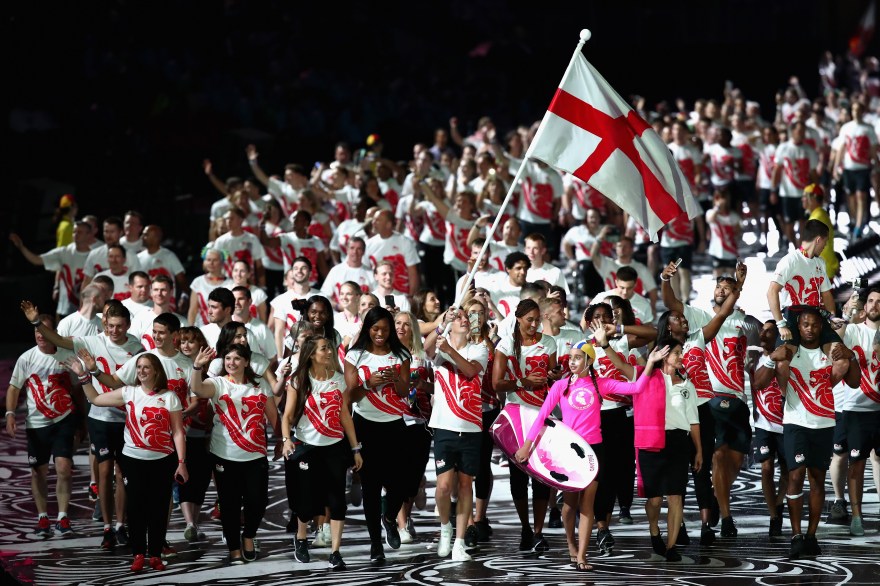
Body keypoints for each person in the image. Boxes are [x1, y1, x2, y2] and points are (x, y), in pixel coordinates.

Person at [22, 299, 144, 550]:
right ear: (104, 324)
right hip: (100, 417)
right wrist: (36, 322)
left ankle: (122, 525)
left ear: (128, 325)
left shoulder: (137, 346)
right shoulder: (92, 341)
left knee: (123, 474)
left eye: (119, 326)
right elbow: (59, 341)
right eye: (110, 326)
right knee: (103, 472)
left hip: (127, 419)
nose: (114, 331)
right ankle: (107, 527)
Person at [68, 351, 187, 572]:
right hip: (133, 460)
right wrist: (84, 376)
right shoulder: (128, 392)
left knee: (159, 508)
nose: (141, 371)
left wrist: (181, 462)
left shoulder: (170, 397)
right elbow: (95, 399)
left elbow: (178, 432)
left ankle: (155, 555)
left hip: (163, 461)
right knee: (136, 507)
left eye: (146, 367)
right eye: (138, 367)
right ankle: (139, 554)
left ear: (156, 371)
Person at [664, 268, 758, 538]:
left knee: (734, 461)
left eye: (728, 287)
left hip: (738, 399)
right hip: (709, 400)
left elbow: (754, 354)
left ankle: (718, 499)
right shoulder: (699, 317)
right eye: (719, 286)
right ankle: (723, 517)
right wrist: (665, 279)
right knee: (714, 459)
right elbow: (672, 304)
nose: (722, 290)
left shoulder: (748, 322)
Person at [598, 336, 703, 562]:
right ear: (664, 354)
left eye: (681, 352)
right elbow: (619, 364)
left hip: (678, 443)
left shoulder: (687, 385)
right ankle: (655, 531)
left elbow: (694, 421)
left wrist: (699, 450)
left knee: (676, 497)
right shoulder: (645, 376)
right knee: (654, 500)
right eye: (677, 352)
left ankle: (672, 546)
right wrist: (605, 344)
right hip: (650, 442)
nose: (681, 356)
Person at [766, 309, 860, 558]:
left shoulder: (832, 353)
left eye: (815, 325)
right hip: (795, 422)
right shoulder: (790, 352)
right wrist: (772, 359)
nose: (809, 328)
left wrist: (852, 357)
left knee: (818, 479)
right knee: (795, 476)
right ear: (799, 326)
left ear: (821, 327)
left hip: (824, 423)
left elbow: (854, 382)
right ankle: (796, 535)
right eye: (805, 324)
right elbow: (761, 380)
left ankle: (811, 535)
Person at [514, 340, 607, 571]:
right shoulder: (561, 385)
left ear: (589, 360)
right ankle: (570, 543)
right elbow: (543, 416)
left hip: (594, 450)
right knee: (569, 506)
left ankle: (583, 555)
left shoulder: (599, 384)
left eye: (577, 357)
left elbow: (635, 388)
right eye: (571, 358)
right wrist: (527, 445)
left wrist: (649, 366)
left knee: (588, 505)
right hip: (569, 450)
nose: (572, 362)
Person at [189, 343, 281, 565]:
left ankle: (248, 536)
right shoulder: (218, 383)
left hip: (255, 455)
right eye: (228, 358)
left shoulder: (260, 386)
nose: (231, 363)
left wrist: (281, 440)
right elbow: (198, 390)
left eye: (237, 359)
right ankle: (234, 548)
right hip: (223, 455)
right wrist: (196, 367)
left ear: (246, 362)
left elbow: (273, 416)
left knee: (257, 502)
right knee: (229, 505)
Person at [281, 335, 362, 569]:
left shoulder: (339, 380)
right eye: (324, 349)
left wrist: (355, 448)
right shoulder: (298, 380)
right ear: (311, 354)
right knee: (306, 503)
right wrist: (287, 440)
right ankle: (301, 538)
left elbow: (345, 415)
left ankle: (336, 551)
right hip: (306, 447)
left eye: (330, 348)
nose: (329, 352)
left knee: (337, 502)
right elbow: (286, 416)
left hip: (335, 447)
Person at [343, 306, 412, 564]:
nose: (380, 333)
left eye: (385, 329)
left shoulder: (401, 353)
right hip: (366, 425)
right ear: (367, 329)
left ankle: (389, 518)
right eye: (375, 329)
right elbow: (349, 396)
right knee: (371, 488)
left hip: (395, 425)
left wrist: (395, 379)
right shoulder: (355, 355)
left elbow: (405, 392)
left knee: (401, 483)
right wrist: (368, 384)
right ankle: (375, 545)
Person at [492, 298, 559, 551]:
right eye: (529, 320)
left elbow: (553, 377)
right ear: (518, 318)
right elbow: (497, 383)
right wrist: (523, 382)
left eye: (537, 320)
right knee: (518, 476)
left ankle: (539, 531)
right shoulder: (507, 343)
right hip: (517, 415)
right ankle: (525, 527)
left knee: (542, 475)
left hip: (543, 416)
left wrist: (555, 375)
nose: (533, 324)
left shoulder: (548, 342)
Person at [426, 304, 491, 561]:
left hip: (471, 428)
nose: (465, 320)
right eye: (459, 317)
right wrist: (441, 325)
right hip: (443, 426)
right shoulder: (439, 348)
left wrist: (448, 349)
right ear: (451, 322)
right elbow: (425, 348)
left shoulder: (479, 348)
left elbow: (470, 370)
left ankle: (460, 542)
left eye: (467, 317)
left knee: (466, 486)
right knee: (443, 487)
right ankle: (445, 527)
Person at [6, 314, 77, 538]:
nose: (39, 335)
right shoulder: (26, 358)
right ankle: (43, 517)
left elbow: (78, 387)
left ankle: (63, 517)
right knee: (39, 472)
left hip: (64, 419)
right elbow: (14, 388)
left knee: (64, 468)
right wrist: (9, 413)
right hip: (36, 424)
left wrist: (83, 419)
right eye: (36, 332)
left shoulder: (67, 357)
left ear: (52, 334)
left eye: (43, 331)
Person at [834, 286, 880, 536]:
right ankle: (856, 516)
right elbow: (836, 339)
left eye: (878, 302)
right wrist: (850, 313)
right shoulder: (853, 330)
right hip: (856, 409)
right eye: (870, 301)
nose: (873, 305)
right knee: (857, 464)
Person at [392, 311, 434, 546]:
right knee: (396, 474)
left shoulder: (423, 356)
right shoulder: (386, 355)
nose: (401, 328)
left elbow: (436, 387)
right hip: (393, 420)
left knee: (412, 476)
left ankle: (405, 517)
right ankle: (400, 523)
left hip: (420, 422)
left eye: (407, 324)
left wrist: (422, 385)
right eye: (397, 323)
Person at [752, 320, 789, 537]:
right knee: (766, 468)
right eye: (762, 330)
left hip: (786, 424)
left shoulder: (787, 356)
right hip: (763, 424)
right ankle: (774, 515)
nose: (764, 334)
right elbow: (756, 384)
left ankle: (779, 502)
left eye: (769, 331)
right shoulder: (755, 358)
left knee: (787, 470)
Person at [9, 221, 92, 318]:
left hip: (88, 310)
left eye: (80, 232)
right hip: (65, 309)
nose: (76, 235)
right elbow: (37, 260)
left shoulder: (95, 255)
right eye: (74, 232)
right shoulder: (64, 252)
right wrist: (21, 247)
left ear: (89, 235)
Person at [833, 100, 878, 238]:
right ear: (851, 111)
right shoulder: (846, 128)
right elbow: (841, 148)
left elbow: (873, 149)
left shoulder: (868, 128)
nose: (856, 112)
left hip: (863, 167)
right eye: (854, 109)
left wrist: (876, 163)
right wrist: (836, 166)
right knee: (851, 197)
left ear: (862, 111)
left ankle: (859, 225)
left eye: (858, 109)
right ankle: (854, 220)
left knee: (861, 195)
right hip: (848, 167)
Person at [772, 121, 819, 246]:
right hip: (787, 193)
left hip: (804, 193)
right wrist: (773, 190)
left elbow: (813, 173)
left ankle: (800, 248)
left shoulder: (809, 150)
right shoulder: (783, 148)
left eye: (803, 131)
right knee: (789, 222)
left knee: (803, 222)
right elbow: (777, 169)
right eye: (799, 130)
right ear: (792, 132)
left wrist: (817, 190)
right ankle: (793, 245)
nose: (802, 133)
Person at [269, 260, 324, 357]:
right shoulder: (281, 299)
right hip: (290, 353)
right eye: (296, 268)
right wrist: (280, 358)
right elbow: (279, 331)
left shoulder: (321, 296)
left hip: (316, 352)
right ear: (292, 272)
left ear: (310, 273)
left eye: (303, 268)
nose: (299, 271)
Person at [365, 209, 421, 295]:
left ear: (388, 224)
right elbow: (365, 272)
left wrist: (411, 296)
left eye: (378, 220)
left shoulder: (405, 242)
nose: (373, 223)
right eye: (373, 220)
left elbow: (413, 273)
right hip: (378, 297)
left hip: (402, 296)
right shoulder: (368, 244)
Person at [130, 275, 188, 350]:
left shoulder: (182, 322)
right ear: (151, 292)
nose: (159, 293)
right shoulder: (140, 317)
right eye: (156, 290)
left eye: (163, 290)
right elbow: (132, 346)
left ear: (171, 292)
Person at [213, 207, 267, 286]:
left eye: (231, 218)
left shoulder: (252, 239)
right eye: (227, 219)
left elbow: (259, 264)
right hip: (226, 283)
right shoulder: (220, 241)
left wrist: (262, 284)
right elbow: (216, 265)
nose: (228, 221)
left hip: (248, 283)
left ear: (241, 220)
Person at [320, 237, 375, 308]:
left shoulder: (370, 273)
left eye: (359, 249)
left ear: (363, 252)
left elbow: (376, 297)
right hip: (339, 315)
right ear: (347, 250)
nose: (355, 252)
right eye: (352, 248)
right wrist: (338, 306)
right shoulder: (336, 270)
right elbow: (324, 295)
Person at [801, 184, 839, 280]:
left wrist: (834, 265)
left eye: (805, 196)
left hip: (821, 272)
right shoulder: (821, 214)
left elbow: (822, 248)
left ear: (813, 199)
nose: (802, 199)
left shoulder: (816, 218)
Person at [231, 286, 275, 362]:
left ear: (250, 301)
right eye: (233, 299)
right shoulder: (225, 325)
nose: (236, 303)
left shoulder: (262, 328)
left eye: (241, 299)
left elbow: (272, 358)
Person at [188, 249, 228, 328]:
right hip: (202, 329)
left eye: (215, 260)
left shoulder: (231, 283)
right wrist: (190, 329)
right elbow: (193, 310)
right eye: (208, 260)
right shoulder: (198, 282)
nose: (211, 263)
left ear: (222, 262)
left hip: (224, 329)